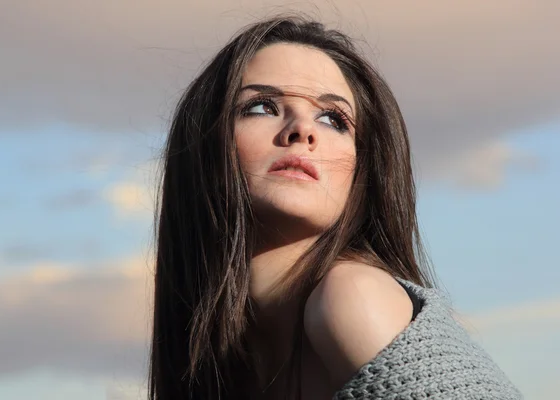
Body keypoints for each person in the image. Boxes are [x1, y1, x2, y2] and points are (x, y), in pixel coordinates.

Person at [148, 15, 523, 400]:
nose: (302, 131)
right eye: (261, 106)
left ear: (364, 169)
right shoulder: (218, 362)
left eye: (332, 119)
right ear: (202, 146)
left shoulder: (352, 299)